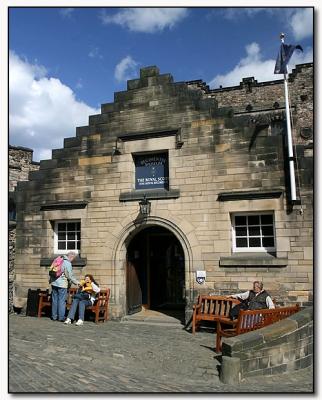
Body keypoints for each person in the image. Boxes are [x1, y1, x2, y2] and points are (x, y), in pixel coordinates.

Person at [50, 251, 79, 322]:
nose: (73, 260)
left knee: (54, 300)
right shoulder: (67, 263)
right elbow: (69, 275)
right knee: (62, 301)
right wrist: (76, 282)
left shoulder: (59, 259)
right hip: (62, 285)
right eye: (73, 258)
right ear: (71, 257)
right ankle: (61, 317)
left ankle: (54, 316)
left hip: (54, 283)